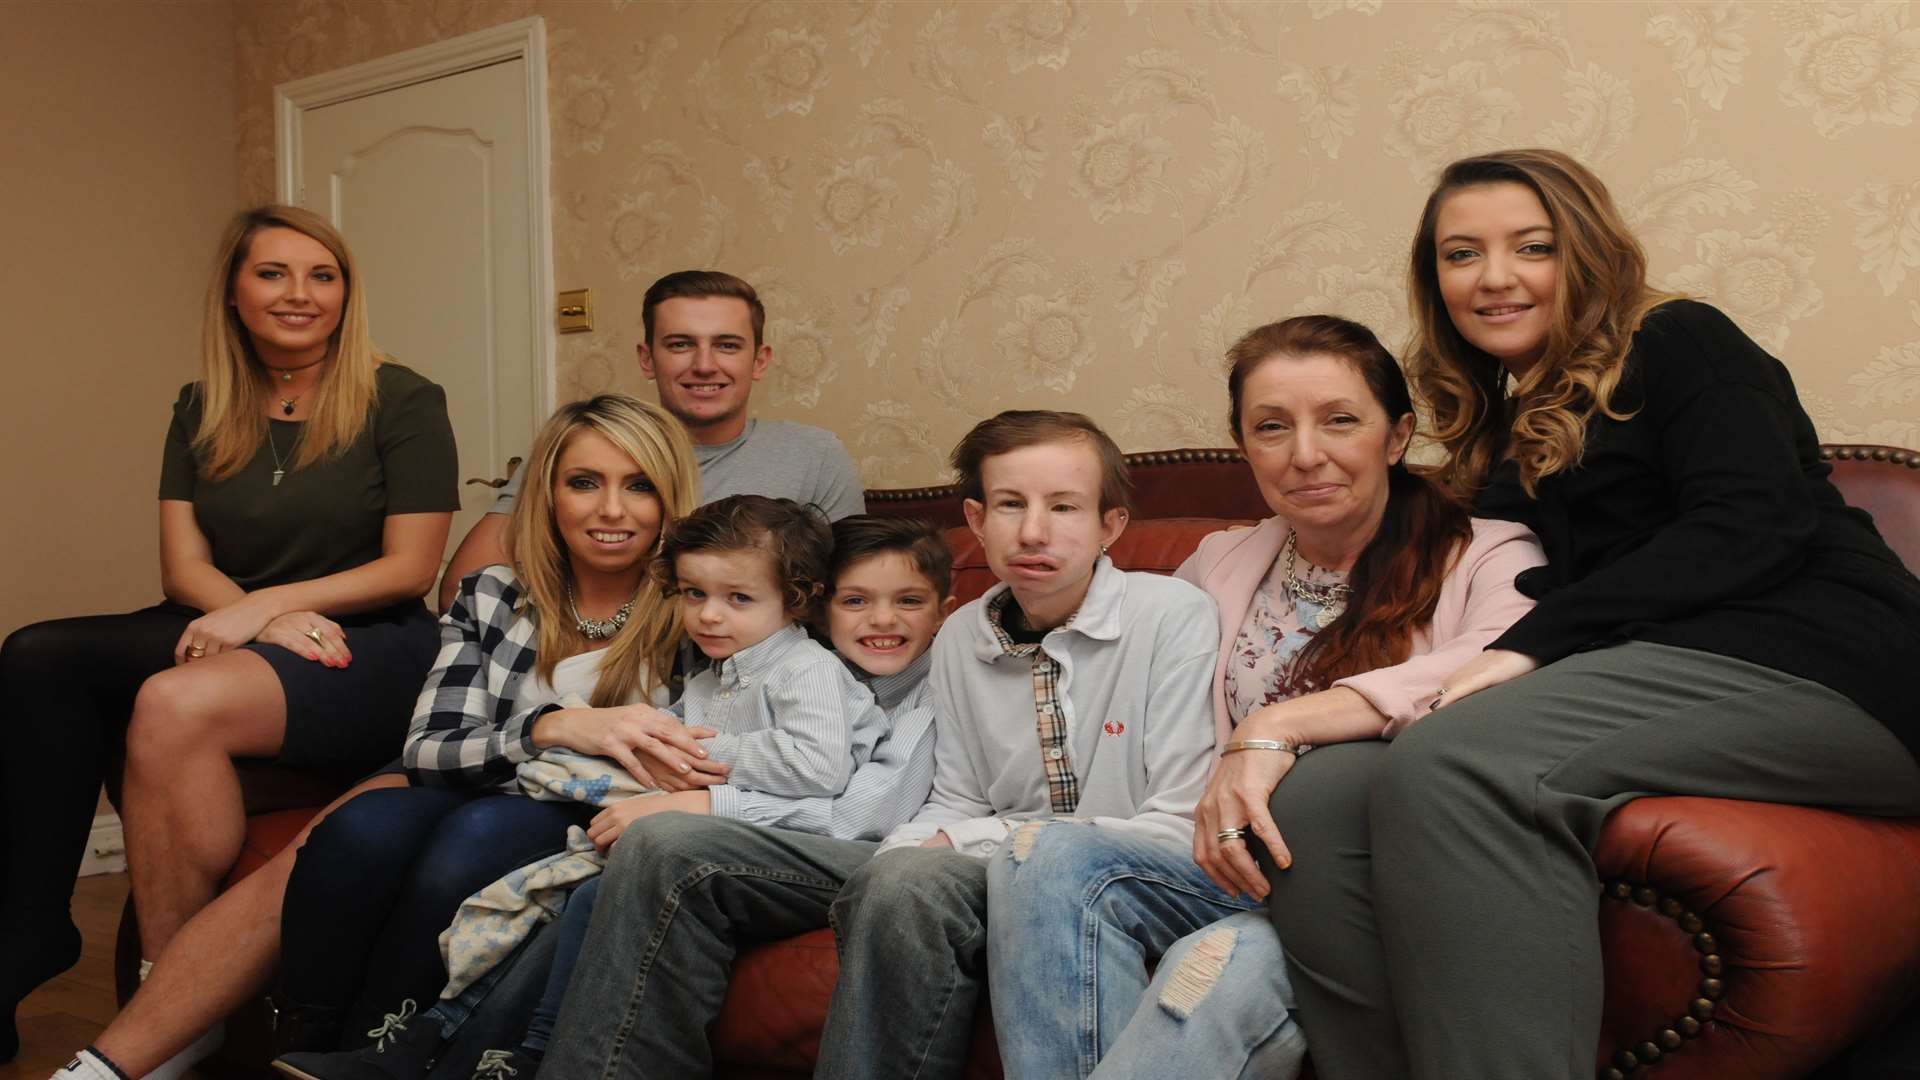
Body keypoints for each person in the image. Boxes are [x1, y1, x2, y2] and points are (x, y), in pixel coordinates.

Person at [1254, 148, 1920, 1080]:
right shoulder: (1506, 429)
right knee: (1320, 798)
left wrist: (1534, 650)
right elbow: (1491, 591)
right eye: (1460, 255)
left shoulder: (1681, 337)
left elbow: (1749, 520)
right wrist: (1283, 727)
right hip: (1658, 679)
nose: (1493, 277)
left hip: (1831, 666)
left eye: (1532, 246)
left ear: (1588, 252)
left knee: (1458, 762)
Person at [999, 315, 1539, 1080]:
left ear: (1396, 436)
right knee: (1040, 852)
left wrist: (1273, 725)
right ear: (1244, 445)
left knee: (1217, 964)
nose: (1305, 454)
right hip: (1224, 870)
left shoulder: (1490, 552)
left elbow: (1503, 663)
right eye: (1272, 427)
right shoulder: (1220, 561)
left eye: (1340, 421)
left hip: (1356, 893)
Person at [16, 205, 458, 1080]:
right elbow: (184, 565)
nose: (300, 294)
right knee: (38, 653)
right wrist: (251, 613)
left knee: (172, 698)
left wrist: (272, 609)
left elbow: (411, 566)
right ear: (232, 291)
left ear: (346, 294)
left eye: (322, 276)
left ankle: (167, 1016)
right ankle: (35, 932)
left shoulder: (402, 396)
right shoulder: (200, 403)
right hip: (234, 611)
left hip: (371, 638)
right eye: (273, 273)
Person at [273, 495, 891, 1080]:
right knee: (542, 899)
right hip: (692, 828)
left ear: (797, 599)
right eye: (693, 593)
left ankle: (504, 1052)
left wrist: (691, 751)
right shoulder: (713, 671)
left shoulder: (805, 669)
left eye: (737, 598)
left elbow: (817, 768)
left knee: (587, 898)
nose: (707, 614)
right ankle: (427, 1040)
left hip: (757, 844)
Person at [267, 394, 702, 1062]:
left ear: (671, 498)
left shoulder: (698, 609)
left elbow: (694, 761)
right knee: (358, 828)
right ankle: (304, 1037)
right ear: (547, 495)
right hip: (478, 786)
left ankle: (377, 1051)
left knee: (478, 832)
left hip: (589, 813)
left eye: (639, 486)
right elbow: (429, 750)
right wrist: (552, 728)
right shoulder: (493, 594)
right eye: (584, 483)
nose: (611, 510)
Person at [810, 410, 1220, 1080]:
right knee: (897, 880)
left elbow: (1175, 824)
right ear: (975, 520)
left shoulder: (1171, 615)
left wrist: (974, 842)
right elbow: (956, 800)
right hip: (1003, 870)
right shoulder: (962, 635)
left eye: (1064, 507)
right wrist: (905, 852)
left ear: (1109, 526)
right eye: (1009, 505)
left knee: (1043, 857)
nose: (1034, 531)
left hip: (1143, 871)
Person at [531, 514, 954, 1080]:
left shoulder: (932, 692)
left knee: (666, 845)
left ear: (942, 612)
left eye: (908, 601)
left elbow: (865, 818)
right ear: (820, 607)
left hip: (878, 858)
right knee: (588, 884)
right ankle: (492, 1046)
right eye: (855, 601)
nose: (882, 620)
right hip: (767, 854)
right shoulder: (764, 678)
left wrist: (707, 804)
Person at [439, 270, 864, 611]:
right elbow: (462, 590)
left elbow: (854, 599)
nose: (703, 364)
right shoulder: (585, 447)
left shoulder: (813, 454)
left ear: (759, 360)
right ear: (647, 358)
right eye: (680, 345)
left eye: (727, 345)